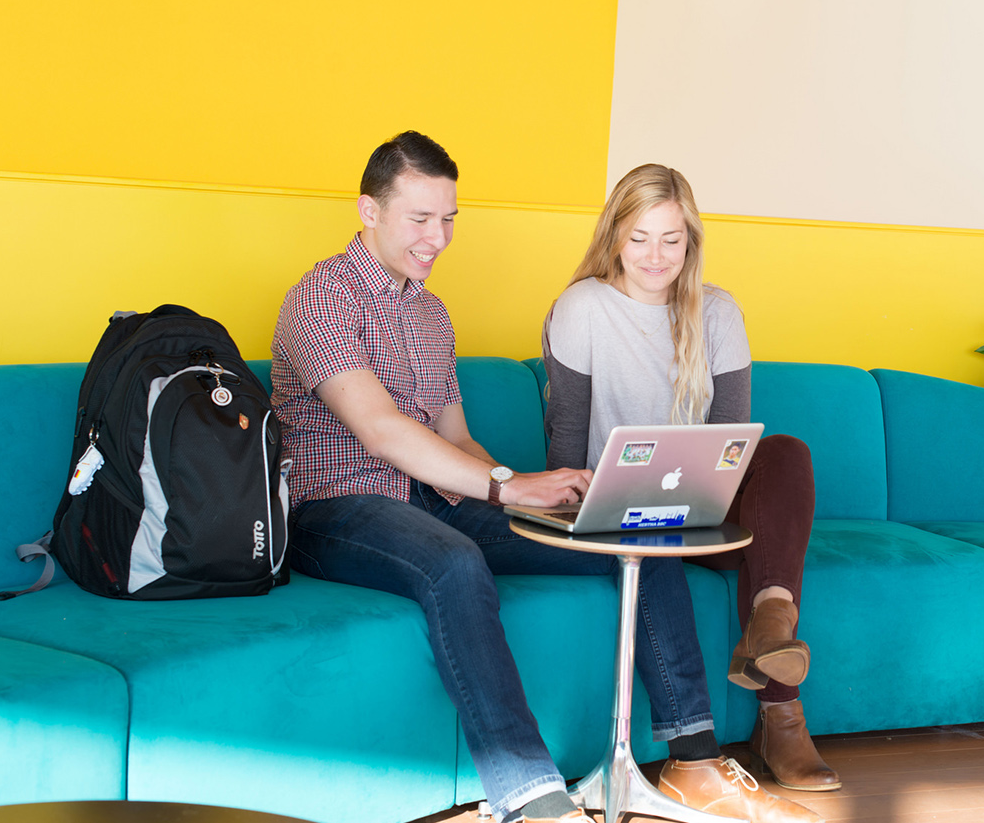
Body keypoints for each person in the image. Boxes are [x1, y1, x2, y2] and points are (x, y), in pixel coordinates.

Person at [271, 133, 820, 823]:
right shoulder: (319, 297)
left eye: (448, 219)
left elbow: (455, 438)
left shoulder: (429, 313)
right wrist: (507, 489)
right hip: (340, 507)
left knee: (635, 533)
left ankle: (696, 757)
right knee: (454, 563)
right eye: (420, 218)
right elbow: (381, 430)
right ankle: (529, 793)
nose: (437, 237)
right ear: (369, 211)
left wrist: (525, 480)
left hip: (441, 498)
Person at [541, 163, 841, 792]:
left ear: (691, 242)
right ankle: (778, 716)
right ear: (615, 235)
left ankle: (771, 627)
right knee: (650, 528)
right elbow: (563, 452)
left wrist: (694, 490)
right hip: (625, 515)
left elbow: (731, 445)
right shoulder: (582, 308)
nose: (655, 256)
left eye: (671, 239)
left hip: (708, 517)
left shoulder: (718, 313)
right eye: (640, 237)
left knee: (785, 451)